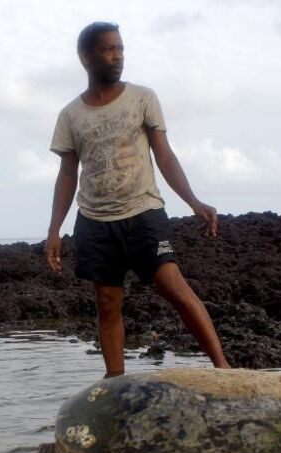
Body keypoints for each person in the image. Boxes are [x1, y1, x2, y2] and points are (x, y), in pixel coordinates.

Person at [44, 21, 230, 377]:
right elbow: (67, 175)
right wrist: (54, 230)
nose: (117, 56)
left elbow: (164, 155)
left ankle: (223, 368)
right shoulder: (70, 115)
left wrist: (194, 202)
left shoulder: (143, 98)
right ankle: (115, 381)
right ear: (86, 57)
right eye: (108, 49)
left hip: (143, 210)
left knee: (172, 285)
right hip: (95, 220)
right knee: (107, 302)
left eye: (120, 49)